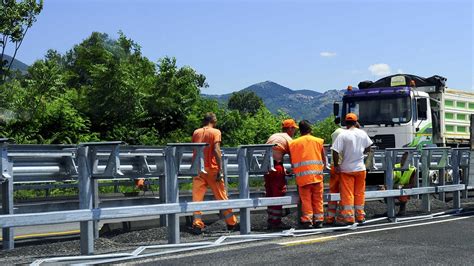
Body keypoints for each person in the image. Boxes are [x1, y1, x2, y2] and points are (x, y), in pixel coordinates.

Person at [191, 112, 238, 234]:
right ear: (214, 121)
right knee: (221, 196)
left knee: (197, 197)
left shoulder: (196, 132)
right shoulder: (216, 132)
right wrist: (220, 169)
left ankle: (197, 223)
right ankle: (231, 223)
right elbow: (216, 150)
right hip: (211, 168)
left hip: (198, 168)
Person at [332, 113, 373, 225]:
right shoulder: (362, 134)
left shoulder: (343, 135)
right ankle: (360, 216)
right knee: (359, 193)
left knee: (348, 194)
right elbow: (369, 147)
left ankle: (349, 217)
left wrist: (336, 165)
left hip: (347, 169)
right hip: (360, 169)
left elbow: (335, 151)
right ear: (356, 122)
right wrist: (362, 152)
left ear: (345, 123)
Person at [289, 120, 326, 229]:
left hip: (303, 177)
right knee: (318, 199)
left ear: (299, 131)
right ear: (310, 129)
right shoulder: (318, 141)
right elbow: (323, 158)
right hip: (317, 176)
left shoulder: (293, 143)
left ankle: (307, 221)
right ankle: (319, 220)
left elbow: (292, 160)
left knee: (306, 200)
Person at [264, 119, 298, 230]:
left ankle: (271, 219)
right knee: (278, 193)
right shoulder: (288, 139)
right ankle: (276, 222)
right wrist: (295, 170)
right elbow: (294, 157)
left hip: (267, 167)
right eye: (294, 129)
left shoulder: (275, 136)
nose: (295, 132)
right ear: (290, 128)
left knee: (270, 193)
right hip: (276, 167)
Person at [325, 117, 344, 225]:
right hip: (342, 166)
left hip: (333, 165)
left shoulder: (335, 133)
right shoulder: (345, 133)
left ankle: (330, 217)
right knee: (344, 193)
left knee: (333, 192)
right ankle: (341, 218)